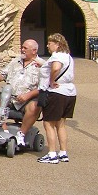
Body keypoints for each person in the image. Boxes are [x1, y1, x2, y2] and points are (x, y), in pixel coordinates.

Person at [0, 39, 42, 147]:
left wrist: (27, 95)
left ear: (34, 51)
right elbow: (2, 74)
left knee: (35, 106)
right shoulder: (15, 61)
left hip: (27, 100)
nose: (22, 50)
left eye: (25, 48)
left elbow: (44, 87)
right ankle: (4, 131)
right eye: (22, 47)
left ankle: (21, 135)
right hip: (8, 97)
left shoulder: (42, 65)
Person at [37, 33, 76, 164]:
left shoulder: (57, 56)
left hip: (57, 93)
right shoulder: (68, 57)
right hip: (69, 92)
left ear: (57, 45)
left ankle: (52, 153)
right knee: (61, 124)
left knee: (48, 123)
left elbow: (56, 68)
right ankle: (63, 152)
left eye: (50, 43)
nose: (48, 45)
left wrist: (52, 80)